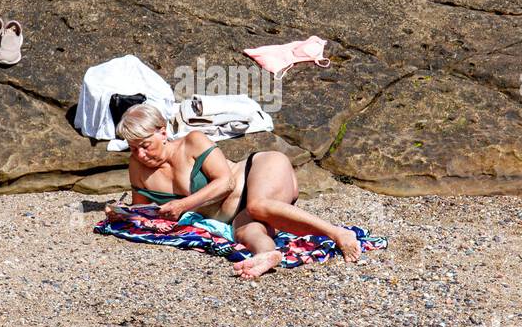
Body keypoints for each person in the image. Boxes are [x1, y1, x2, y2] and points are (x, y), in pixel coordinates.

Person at [105, 104, 361, 279]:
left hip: (257, 170)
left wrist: (183, 206)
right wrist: (124, 214)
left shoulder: (192, 142)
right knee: (246, 232)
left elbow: (225, 183)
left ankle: (338, 233)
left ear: (162, 132)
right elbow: (144, 209)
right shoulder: (137, 168)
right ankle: (266, 256)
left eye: (145, 145)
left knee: (258, 205)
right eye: (133, 148)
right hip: (233, 215)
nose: (140, 154)